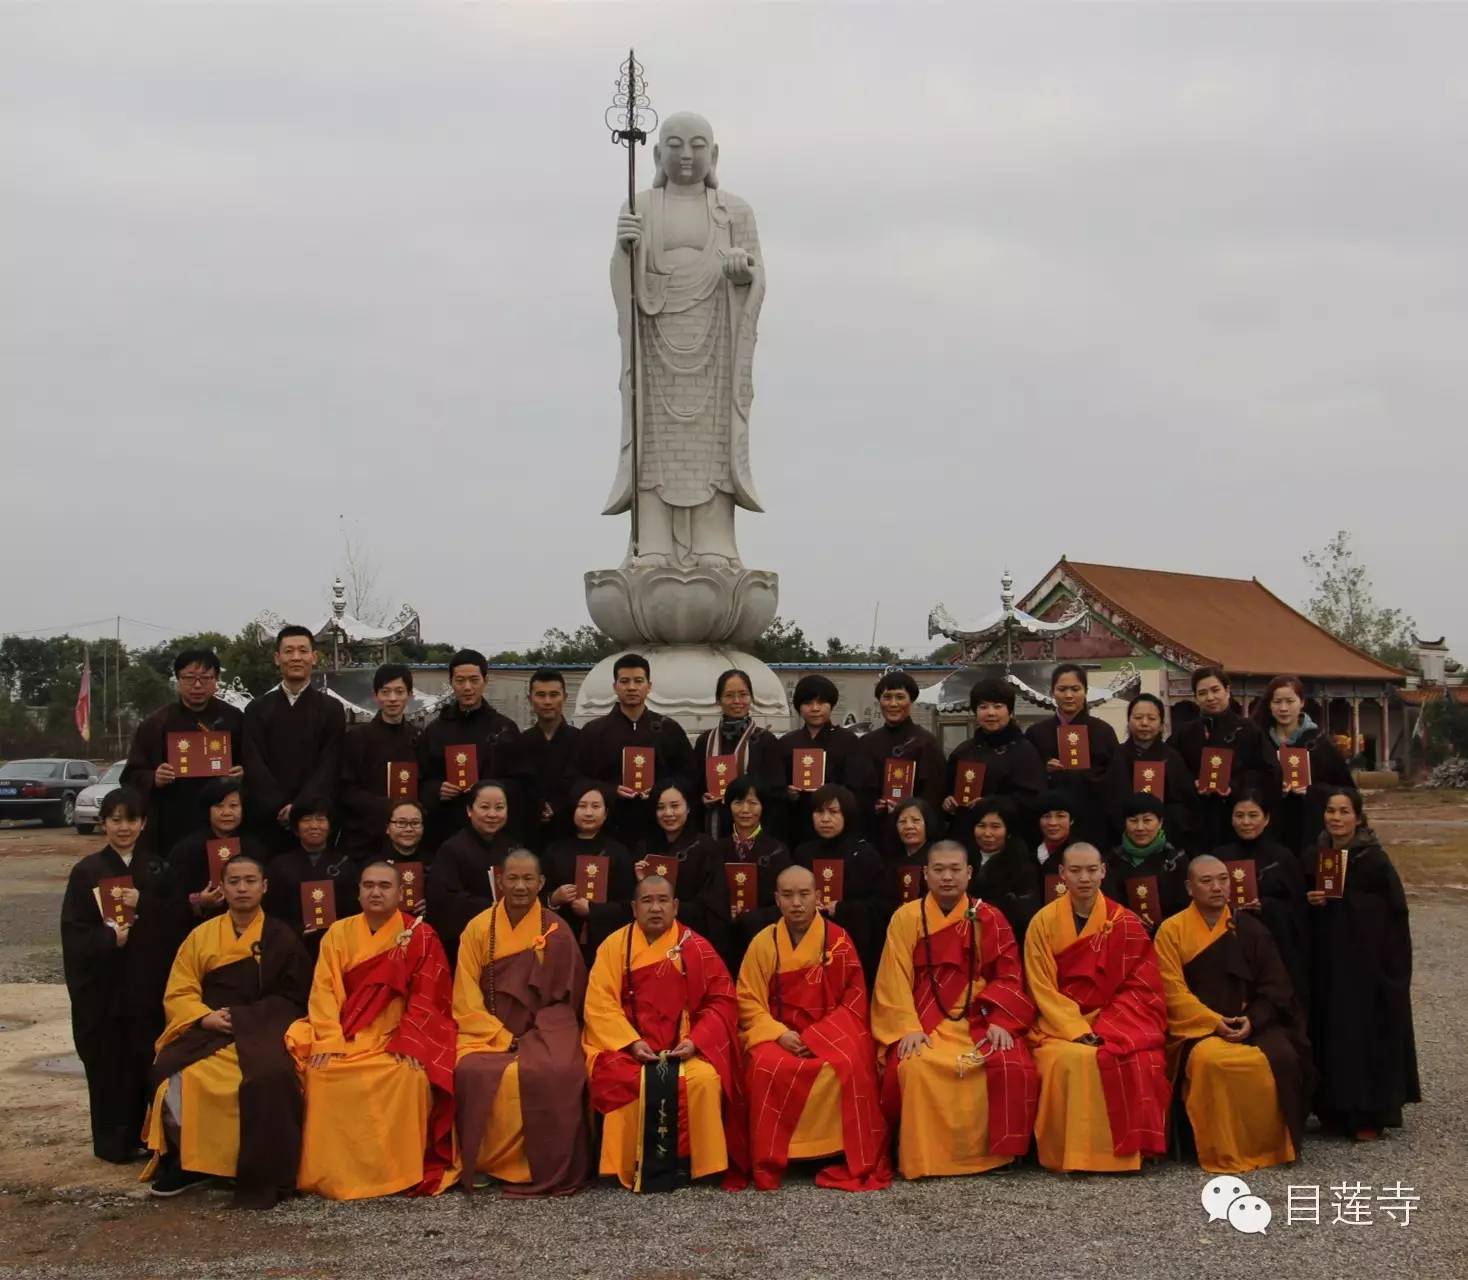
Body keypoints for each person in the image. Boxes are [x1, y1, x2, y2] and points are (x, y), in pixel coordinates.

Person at [142, 853, 311, 1205]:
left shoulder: (283, 937)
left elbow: (295, 997)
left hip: (263, 1028)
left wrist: (247, 1019)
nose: (242, 888)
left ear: (264, 887)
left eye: (250, 880)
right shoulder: (201, 936)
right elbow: (180, 989)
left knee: (271, 1076)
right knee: (171, 1071)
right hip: (210, 1027)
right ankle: (191, 1163)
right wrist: (204, 1017)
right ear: (222, 888)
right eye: (234, 881)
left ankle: (256, 1167)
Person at [287, 861, 458, 1199]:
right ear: (359, 892)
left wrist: (411, 1043)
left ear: (400, 893)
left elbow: (428, 998)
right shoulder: (338, 932)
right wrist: (329, 1039)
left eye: (384, 886)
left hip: (395, 1035)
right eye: (368, 886)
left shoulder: (420, 936)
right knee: (322, 1076)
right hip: (347, 1032)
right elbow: (324, 991)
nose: (376, 892)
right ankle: (331, 1174)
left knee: (409, 1078)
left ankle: (397, 1174)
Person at [871, 841, 1038, 1180]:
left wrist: (1003, 1020)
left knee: (1008, 1062)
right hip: (923, 1018)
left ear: (969, 873)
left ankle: (994, 1156)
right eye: (939, 870)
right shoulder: (906, 917)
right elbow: (893, 980)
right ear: (925, 874)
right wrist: (907, 1027)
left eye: (955, 870)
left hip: (979, 1017)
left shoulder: (989, 917)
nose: (947, 877)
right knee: (916, 1067)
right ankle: (925, 1158)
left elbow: (1009, 975)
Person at [582, 875, 750, 1191]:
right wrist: (631, 1042)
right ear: (633, 907)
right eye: (647, 901)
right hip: (627, 1048)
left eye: (662, 901)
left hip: (685, 1048)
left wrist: (695, 1040)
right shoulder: (614, 946)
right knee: (621, 1079)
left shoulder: (697, 948)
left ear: (675, 906)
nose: (655, 908)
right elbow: (599, 1003)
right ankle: (625, 1163)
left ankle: (696, 1165)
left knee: (703, 1079)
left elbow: (722, 1000)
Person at [736, 866, 891, 1192]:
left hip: (830, 1033)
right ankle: (776, 1156)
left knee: (848, 1066)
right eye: (788, 895)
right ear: (776, 900)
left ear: (818, 897)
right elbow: (748, 1001)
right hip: (780, 1034)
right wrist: (780, 1034)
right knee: (765, 1067)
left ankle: (835, 1151)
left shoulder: (838, 942)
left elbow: (854, 999)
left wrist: (816, 1037)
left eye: (804, 894)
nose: (796, 903)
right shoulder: (764, 943)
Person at [1153, 856, 1310, 1174]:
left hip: (1250, 1022)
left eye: (1223, 879)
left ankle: (1268, 1147)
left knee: (1279, 1059)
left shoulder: (1251, 929)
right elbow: (1171, 991)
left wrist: (1253, 1019)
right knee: (1213, 1062)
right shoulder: (1171, 931)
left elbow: (1276, 987)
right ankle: (1221, 1149)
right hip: (1199, 1027)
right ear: (1189, 887)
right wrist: (1213, 1022)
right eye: (1207, 881)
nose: (1217, 887)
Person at [1024, 842, 1170, 1173]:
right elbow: (1041, 987)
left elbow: (1142, 985)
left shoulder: (1125, 921)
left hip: (1114, 1019)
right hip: (1058, 1026)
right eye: (1075, 871)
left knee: (1138, 1057)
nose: (1084, 878)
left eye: (1092, 870)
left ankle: (1124, 1155)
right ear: (1061, 874)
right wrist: (1076, 1029)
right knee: (1070, 1060)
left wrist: (1108, 1024)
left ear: (1104, 871)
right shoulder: (1043, 922)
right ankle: (1072, 1155)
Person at [453, 850, 592, 1196]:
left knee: (562, 1070)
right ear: (499, 880)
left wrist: (542, 1032)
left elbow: (570, 996)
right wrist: (500, 1036)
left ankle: (542, 1164)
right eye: (512, 878)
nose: (519, 886)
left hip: (545, 1029)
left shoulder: (556, 929)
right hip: (488, 1030)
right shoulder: (478, 928)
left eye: (528, 879)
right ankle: (488, 1164)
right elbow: (465, 996)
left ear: (541, 883)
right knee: (473, 1070)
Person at [1304, 788, 1420, 1140]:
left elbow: (1394, 913)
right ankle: (1332, 1110)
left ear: (1358, 817)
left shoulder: (1373, 859)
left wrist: (1346, 901)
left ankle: (1368, 1114)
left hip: (1367, 966)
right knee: (1329, 1031)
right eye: (1330, 810)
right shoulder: (1315, 854)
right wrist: (1311, 899)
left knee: (1364, 1035)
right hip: (1329, 963)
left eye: (1343, 811)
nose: (1335, 818)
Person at [60, 788, 160, 1163]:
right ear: (102, 823)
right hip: (103, 988)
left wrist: (145, 904)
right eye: (115, 819)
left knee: (142, 1057)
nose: (123, 827)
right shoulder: (86, 871)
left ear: (143, 824)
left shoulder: (155, 867)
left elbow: (173, 921)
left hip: (144, 983)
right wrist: (107, 938)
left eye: (131, 819)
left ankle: (149, 1137)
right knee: (108, 1064)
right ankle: (112, 1143)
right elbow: (73, 932)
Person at [120, 647, 245, 857]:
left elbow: (255, 763)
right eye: (189, 678)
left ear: (217, 680)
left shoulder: (234, 719)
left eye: (205, 678)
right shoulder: (156, 723)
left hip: (225, 823)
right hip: (174, 824)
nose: (197, 685)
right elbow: (131, 775)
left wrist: (242, 773)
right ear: (177, 680)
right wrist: (154, 778)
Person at [569, 653, 697, 846]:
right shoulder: (594, 732)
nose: (631, 687)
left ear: (649, 686)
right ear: (615, 687)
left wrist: (659, 791)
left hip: (659, 828)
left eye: (638, 681)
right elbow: (575, 779)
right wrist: (611, 791)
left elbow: (689, 777)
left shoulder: (668, 729)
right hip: (609, 828)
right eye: (624, 681)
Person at [241, 626, 345, 852]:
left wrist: (301, 807)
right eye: (288, 651)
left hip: (314, 817)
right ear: (277, 658)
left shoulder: (331, 709)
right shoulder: (257, 709)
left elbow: (330, 763)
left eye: (302, 651)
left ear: (314, 657)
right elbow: (253, 763)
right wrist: (278, 806)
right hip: (268, 818)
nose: (296, 657)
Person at [418, 649, 528, 853]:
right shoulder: (435, 731)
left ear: (485, 680)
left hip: (495, 834)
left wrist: (490, 789)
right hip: (447, 832)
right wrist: (437, 790)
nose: (467, 687)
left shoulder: (504, 729)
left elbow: (521, 783)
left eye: (473, 680)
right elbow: (422, 780)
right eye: (460, 680)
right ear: (451, 683)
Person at [1209, 789, 1311, 1007]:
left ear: (1266, 819)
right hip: (1228, 948)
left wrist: (1266, 906)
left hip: (1276, 949)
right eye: (1239, 815)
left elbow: (1299, 910)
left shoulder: (1283, 858)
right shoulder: (1218, 857)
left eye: (1253, 815)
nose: (1246, 822)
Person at [792, 785, 886, 986]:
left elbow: (880, 907)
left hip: (852, 945)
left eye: (834, 812)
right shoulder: (802, 853)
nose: (825, 819)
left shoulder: (865, 855)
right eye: (819, 812)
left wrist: (842, 909)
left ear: (848, 815)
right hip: (807, 942)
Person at [1168, 667, 1269, 851]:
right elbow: (1172, 772)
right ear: (1196, 697)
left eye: (1215, 690)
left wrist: (1234, 786)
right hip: (1196, 821)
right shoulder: (1183, 734)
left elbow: (1265, 772)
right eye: (1202, 693)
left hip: (1234, 818)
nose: (1210, 697)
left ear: (1227, 691)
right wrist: (1193, 784)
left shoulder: (1248, 731)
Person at [1251, 675, 1353, 855]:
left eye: (1290, 701)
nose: (1283, 708)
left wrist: (1312, 790)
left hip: (1312, 833)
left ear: (1302, 702)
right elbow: (1248, 784)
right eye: (1277, 702)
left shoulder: (1320, 743)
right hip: (1270, 833)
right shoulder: (1259, 742)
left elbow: (1348, 791)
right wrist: (1271, 788)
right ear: (1269, 705)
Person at [426, 781, 518, 968]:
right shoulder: (452, 849)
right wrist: (490, 908)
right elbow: (444, 900)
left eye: (499, 807)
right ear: (469, 810)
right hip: (466, 944)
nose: (492, 814)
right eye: (484, 807)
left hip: (510, 942)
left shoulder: (513, 848)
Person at [1023, 664, 1117, 848]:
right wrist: (1046, 771)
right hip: (1051, 825)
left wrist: (1084, 775)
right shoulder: (1036, 733)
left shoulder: (1103, 731)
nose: (1068, 695)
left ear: (1086, 691)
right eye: (1062, 689)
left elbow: (1114, 778)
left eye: (1075, 689)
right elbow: (1027, 778)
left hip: (1092, 821)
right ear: (1052, 692)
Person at [543, 782, 637, 965]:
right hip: (560, 941)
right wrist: (553, 899)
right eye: (582, 806)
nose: (588, 813)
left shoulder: (619, 853)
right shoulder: (554, 851)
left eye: (595, 806)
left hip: (607, 943)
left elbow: (630, 906)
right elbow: (536, 896)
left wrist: (594, 910)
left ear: (606, 813)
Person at [777, 674, 877, 848]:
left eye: (822, 702)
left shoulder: (849, 741)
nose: (815, 708)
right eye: (808, 703)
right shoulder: (787, 743)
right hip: (799, 827)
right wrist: (788, 793)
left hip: (839, 827)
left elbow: (860, 788)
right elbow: (776, 786)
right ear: (799, 707)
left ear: (832, 705)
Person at [705, 775, 791, 970]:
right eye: (738, 802)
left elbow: (784, 901)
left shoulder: (777, 851)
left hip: (764, 942)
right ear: (729, 806)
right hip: (722, 943)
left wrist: (753, 916)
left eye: (753, 803)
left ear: (763, 807)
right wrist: (724, 911)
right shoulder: (714, 849)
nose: (745, 810)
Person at [944, 677, 1045, 843]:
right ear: (975, 712)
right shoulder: (963, 751)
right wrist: (947, 802)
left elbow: (1034, 800)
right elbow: (947, 789)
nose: (991, 713)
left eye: (998, 706)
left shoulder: (1025, 751)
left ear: (1010, 711)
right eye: (983, 707)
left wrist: (991, 804)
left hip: (1010, 841)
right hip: (966, 840)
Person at [337, 663, 421, 860]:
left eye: (399, 691)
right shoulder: (357, 738)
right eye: (386, 692)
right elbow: (344, 789)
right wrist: (384, 806)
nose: (392, 699)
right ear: (376, 695)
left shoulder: (419, 737)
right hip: (365, 837)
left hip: (407, 838)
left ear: (409, 695)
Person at [262, 798, 357, 963]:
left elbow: (354, 912)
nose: (314, 826)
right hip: (290, 948)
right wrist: (297, 930)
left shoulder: (346, 865)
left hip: (338, 948)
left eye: (320, 819)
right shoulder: (278, 866)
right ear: (296, 828)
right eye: (306, 820)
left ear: (330, 826)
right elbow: (270, 912)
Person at [859, 670, 946, 849]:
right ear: (879, 701)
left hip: (914, 835)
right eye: (887, 697)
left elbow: (935, 793)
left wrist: (909, 810)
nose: (893, 704)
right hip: (876, 833)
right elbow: (859, 788)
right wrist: (873, 805)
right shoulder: (867, 742)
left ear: (911, 700)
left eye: (900, 697)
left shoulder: (925, 742)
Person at [693, 669, 785, 838]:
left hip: (756, 830)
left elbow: (777, 790)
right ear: (718, 700)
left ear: (751, 698)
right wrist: (702, 799)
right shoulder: (705, 741)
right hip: (715, 827)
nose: (737, 701)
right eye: (729, 695)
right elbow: (694, 786)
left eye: (743, 694)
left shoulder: (765, 740)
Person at [1104, 693, 1199, 851]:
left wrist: (1156, 824)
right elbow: (1109, 801)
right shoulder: (1116, 755)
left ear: (1162, 724)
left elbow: (1186, 805)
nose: (1144, 723)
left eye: (1152, 718)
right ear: (1128, 721)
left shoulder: (1173, 758)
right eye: (1138, 717)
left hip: (1164, 841)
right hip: (1122, 841)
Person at [634, 780, 718, 941]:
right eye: (660, 807)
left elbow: (713, 906)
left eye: (675, 806)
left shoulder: (706, 847)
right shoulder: (643, 848)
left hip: (692, 937)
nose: (668, 813)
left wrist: (673, 910)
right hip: (650, 936)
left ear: (688, 808)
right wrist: (642, 883)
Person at [1102, 793, 1189, 934]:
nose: (1140, 827)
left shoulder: (1176, 859)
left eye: (1147, 820)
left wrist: (1162, 925)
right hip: (1123, 936)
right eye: (1133, 820)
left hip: (1170, 936)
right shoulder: (1112, 860)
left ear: (1160, 822)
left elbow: (1187, 907)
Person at [518, 668, 581, 851]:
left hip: (570, 832)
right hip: (530, 833)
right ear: (530, 699)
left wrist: (557, 806)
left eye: (554, 695)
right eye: (541, 695)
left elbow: (582, 783)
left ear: (565, 697)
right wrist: (536, 806)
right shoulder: (519, 742)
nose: (547, 702)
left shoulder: (581, 740)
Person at [967, 797, 1042, 942]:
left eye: (995, 827)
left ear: (1008, 831)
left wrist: (975, 913)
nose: (987, 833)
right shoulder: (961, 859)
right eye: (981, 826)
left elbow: (1024, 912)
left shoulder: (1023, 867)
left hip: (1004, 939)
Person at [888, 797, 941, 908]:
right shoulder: (890, 858)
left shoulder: (939, 856)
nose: (909, 826)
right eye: (902, 821)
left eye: (916, 820)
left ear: (927, 823)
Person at [1035, 790, 1074, 882]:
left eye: (1060, 816)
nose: (1053, 823)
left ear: (1071, 820)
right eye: (1046, 816)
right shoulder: (1029, 855)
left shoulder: (1085, 854)